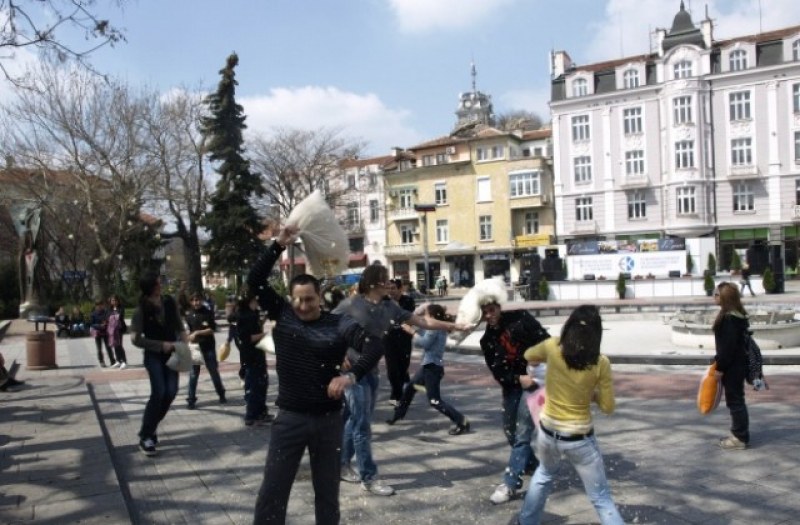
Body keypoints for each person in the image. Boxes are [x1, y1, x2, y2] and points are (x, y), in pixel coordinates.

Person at [248, 225, 386, 525]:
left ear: (319, 297)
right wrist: (278, 245)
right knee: (273, 490)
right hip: (289, 419)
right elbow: (254, 280)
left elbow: (375, 345)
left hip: (328, 421)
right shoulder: (283, 315)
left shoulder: (338, 323)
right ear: (290, 298)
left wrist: (351, 376)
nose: (303, 305)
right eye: (297, 299)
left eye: (309, 299)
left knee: (327, 493)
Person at [335, 264, 467, 497]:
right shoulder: (351, 304)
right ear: (374, 283)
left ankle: (342, 464)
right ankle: (369, 477)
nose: (391, 284)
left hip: (371, 371)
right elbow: (328, 327)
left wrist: (452, 325)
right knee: (362, 424)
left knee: (353, 420)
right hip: (351, 373)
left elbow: (423, 323)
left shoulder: (389, 307)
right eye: (386, 280)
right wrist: (339, 355)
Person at [517, 305, 624, 525]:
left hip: (548, 433)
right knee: (601, 498)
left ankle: (526, 522)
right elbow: (608, 406)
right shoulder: (600, 363)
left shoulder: (552, 346)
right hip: (579, 439)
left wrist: (543, 369)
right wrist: (590, 393)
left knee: (544, 475)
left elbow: (528, 355)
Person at [480, 300, 549, 505]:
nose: (489, 315)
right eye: (484, 313)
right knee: (510, 431)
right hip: (513, 387)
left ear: (499, 307)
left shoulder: (521, 319)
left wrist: (536, 364)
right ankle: (539, 470)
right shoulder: (487, 340)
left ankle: (510, 483)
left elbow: (546, 341)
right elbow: (498, 371)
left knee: (521, 433)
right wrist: (518, 379)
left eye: (491, 310)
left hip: (536, 383)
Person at [385, 303, 469, 435]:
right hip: (428, 366)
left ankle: (461, 421)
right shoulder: (436, 327)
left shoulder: (435, 328)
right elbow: (422, 328)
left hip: (432, 368)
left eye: (426, 314)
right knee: (410, 389)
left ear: (433, 316)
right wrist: (413, 322)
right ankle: (398, 415)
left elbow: (425, 343)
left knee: (434, 401)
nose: (424, 316)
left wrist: (411, 331)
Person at [131, 272, 187, 457]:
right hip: (154, 355)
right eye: (157, 283)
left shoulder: (169, 302)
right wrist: (158, 345)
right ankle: (146, 436)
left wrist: (185, 346)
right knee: (159, 392)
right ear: (150, 287)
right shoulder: (141, 309)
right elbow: (135, 339)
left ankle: (151, 426)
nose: (160, 284)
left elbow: (179, 325)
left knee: (171, 391)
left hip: (172, 353)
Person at [713, 282, 751, 450]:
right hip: (736, 364)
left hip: (733, 367)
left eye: (716, 294)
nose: (713, 296)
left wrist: (719, 368)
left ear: (725, 297)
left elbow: (727, 348)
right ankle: (738, 433)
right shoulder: (735, 316)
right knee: (736, 400)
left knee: (735, 401)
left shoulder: (729, 319)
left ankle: (740, 437)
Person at [232, 293, 270, 425]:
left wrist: (264, 320)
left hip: (251, 354)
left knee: (258, 383)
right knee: (256, 385)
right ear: (250, 301)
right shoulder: (246, 316)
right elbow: (248, 337)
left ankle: (260, 412)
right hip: (253, 355)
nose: (257, 303)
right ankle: (252, 415)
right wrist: (265, 334)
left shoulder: (247, 314)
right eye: (255, 301)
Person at [185, 291, 226, 409]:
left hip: (208, 347)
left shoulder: (208, 313)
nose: (195, 302)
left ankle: (221, 393)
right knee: (193, 374)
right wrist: (187, 337)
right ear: (190, 302)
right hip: (195, 348)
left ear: (201, 300)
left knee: (213, 371)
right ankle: (191, 399)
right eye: (193, 300)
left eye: (197, 300)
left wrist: (197, 332)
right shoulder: (189, 315)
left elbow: (212, 329)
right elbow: (188, 330)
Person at [384, 279, 415, 405]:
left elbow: (406, 316)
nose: (390, 291)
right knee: (392, 368)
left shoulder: (408, 301)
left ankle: (397, 392)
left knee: (403, 366)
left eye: (393, 288)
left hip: (404, 337)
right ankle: (397, 394)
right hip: (388, 338)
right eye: (388, 288)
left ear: (400, 288)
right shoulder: (384, 301)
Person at [90, 299, 115, 367]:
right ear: (96, 306)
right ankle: (101, 361)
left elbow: (109, 320)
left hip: (105, 332)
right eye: (98, 305)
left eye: (101, 305)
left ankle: (112, 361)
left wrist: (106, 323)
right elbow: (92, 324)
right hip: (97, 333)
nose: (100, 307)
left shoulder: (106, 312)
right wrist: (99, 325)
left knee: (108, 347)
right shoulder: (93, 314)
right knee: (99, 348)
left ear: (103, 305)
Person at [106, 295, 128, 369]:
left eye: (115, 300)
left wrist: (114, 315)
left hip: (119, 329)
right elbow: (107, 317)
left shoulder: (121, 308)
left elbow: (120, 316)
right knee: (115, 345)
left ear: (118, 301)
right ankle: (118, 361)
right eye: (112, 300)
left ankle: (124, 361)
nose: (114, 302)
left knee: (119, 345)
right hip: (112, 330)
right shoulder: (109, 309)